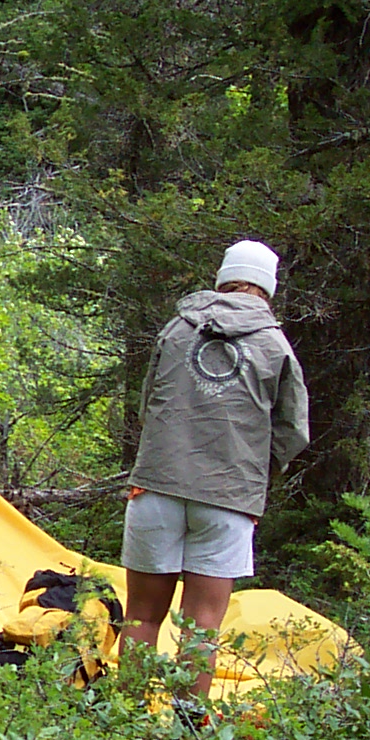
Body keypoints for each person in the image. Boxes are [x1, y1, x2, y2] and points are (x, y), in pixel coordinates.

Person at [120, 239, 310, 698]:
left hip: (156, 488)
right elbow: (293, 431)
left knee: (142, 616)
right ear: (269, 285)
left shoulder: (177, 330)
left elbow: (148, 403)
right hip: (227, 499)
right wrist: (252, 470)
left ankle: (120, 735)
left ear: (222, 276)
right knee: (201, 627)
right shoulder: (274, 344)